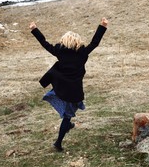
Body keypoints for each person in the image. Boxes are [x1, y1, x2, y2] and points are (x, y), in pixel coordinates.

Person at [29, 17, 108, 151]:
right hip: (74, 91)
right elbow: (95, 43)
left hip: (60, 88)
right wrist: (102, 26)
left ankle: (67, 124)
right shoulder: (82, 53)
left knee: (68, 112)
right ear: (78, 42)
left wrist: (35, 30)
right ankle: (58, 143)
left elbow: (44, 43)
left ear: (64, 41)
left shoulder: (59, 51)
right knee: (67, 116)